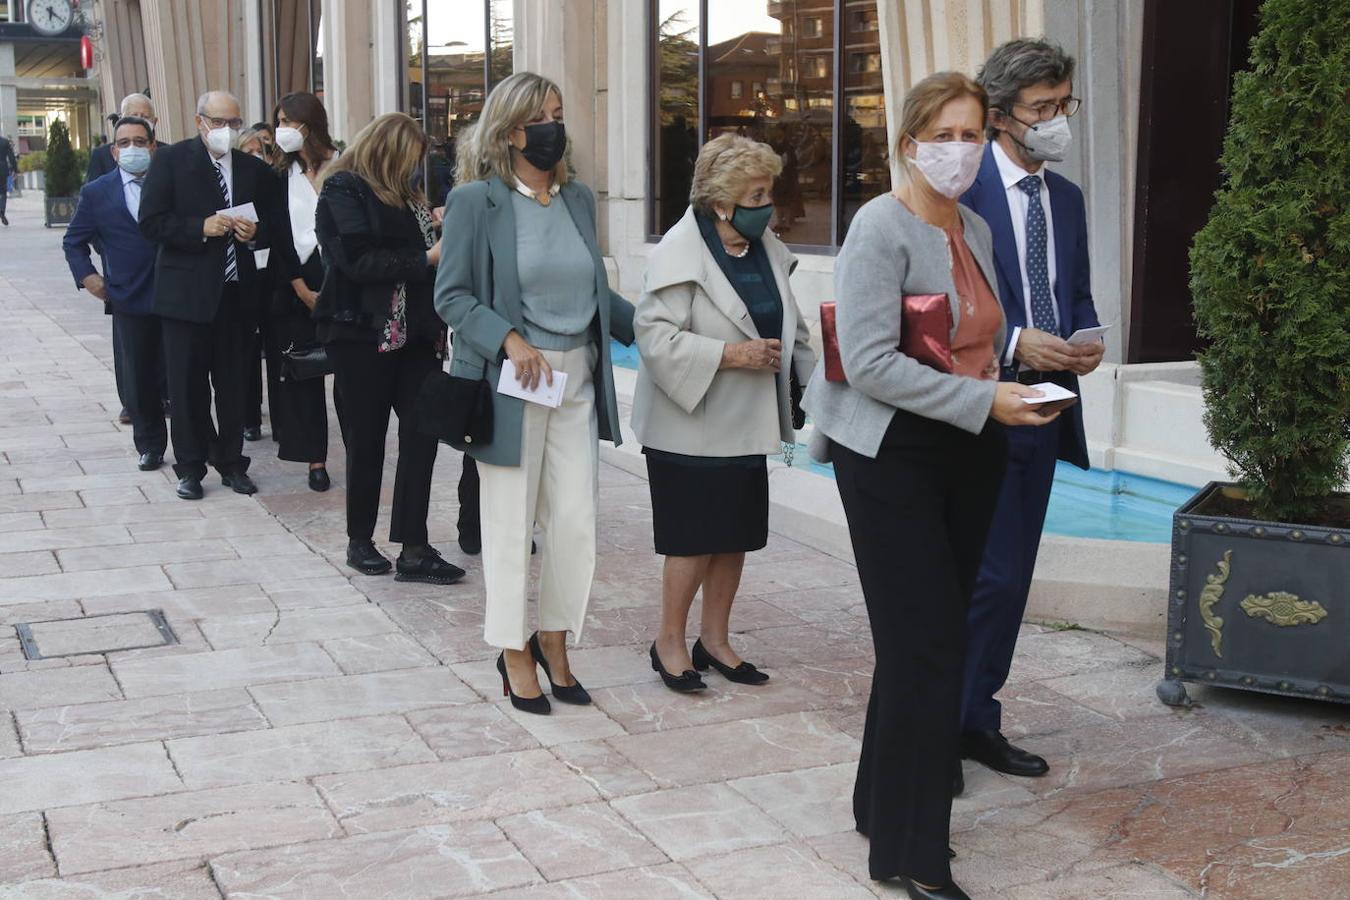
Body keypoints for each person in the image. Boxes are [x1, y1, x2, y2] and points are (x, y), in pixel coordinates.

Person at [802, 71, 1066, 900]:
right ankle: (913, 852)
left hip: (968, 444)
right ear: (909, 141)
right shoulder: (879, 226)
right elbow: (872, 362)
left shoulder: (978, 226)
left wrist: (1017, 382)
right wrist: (983, 396)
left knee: (926, 634)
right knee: (928, 645)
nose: (960, 148)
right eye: (944, 133)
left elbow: (973, 338)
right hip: (889, 454)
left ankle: (878, 804)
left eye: (972, 133)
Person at [436, 72, 635, 715]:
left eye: (558, 112)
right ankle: (511, 649)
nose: (556, 125)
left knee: (576, 522)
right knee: (508, 520)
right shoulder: (476, 201)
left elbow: (598, 295)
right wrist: (510, 340)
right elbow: (453, 296)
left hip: (577, 375)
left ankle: (553, 637)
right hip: (516, 381)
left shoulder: (576, 199)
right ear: (512, 130)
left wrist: (665, 327)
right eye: (543, 115)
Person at [956, 39, 1105, 787]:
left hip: (1045, 409)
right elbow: (944, 304)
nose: (1056, 122)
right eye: (1043, 109)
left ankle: (977, 718)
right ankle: (935, 727)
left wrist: (1087, 339)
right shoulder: (963, 187)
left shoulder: (1067, 200)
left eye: (1063, 106)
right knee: (969, 577)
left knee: (1011, 579)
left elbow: (1072, 290)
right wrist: (1017, 339)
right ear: (1001, 116)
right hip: (977, 404)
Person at [634, 133, 815, 693]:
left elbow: (794, 329)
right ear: (720, 203)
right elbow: (653, 337)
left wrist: (814, 382)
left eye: (768, 192)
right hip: (688, 424)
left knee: (734, 536)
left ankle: (715, 640)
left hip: (748, 424)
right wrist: (730, 354)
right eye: (756, 195)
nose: (768, 206)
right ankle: (668, 640)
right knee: (691, 541)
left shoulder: (765, 252)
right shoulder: (677, 254)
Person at [314, 113, 464, 585]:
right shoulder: (343, 190)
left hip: (417, 337)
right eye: (411, 158)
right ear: (389, 150)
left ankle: (414, 549)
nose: (418, 170)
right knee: (367, 441)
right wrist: (426, 257)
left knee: (422, 436)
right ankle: (360, 540)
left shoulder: (412, 198)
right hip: (362, 336)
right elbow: (356, 260)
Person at [139, 90, 273, 500]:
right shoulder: (171, 161)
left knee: (233, 386)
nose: (227, 131)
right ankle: (191, 467)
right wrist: (200, 227)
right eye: (218, 123)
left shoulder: (254, 169)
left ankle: (232, 463)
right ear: (200, 122)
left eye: (234, 122)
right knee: (186, 387)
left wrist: (255, 235)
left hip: (236, 296)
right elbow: (152, 222)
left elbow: (274, 227)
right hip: (186, 296)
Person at [62, 116, 166, 471]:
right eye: (125, 143)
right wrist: (89, 278)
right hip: (128, 297)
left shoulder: (171, 184)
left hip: (174, 294)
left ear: (153, 146)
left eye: (140, 141)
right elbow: (73, 241)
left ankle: (192, 447)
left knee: (180, 376)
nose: (133, 148)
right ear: (114, 150)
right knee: (139, 377)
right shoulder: (97, 192)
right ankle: (149, 444)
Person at [266, 92, 339, 492]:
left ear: (308, 125)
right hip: (295, 282)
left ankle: (361, 443)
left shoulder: (345, 164)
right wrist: (299, 287)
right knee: (304, 370)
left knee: (348, 370)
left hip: (341, 278)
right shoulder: (279, 174)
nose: (281, 130)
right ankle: (315, 459)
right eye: (277, 122)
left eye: (287, 122)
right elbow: (277, 236)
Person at [236, 124, 275, 443]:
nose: (254, 157)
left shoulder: (269, 183)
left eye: (259, 151)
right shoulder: (231, 188)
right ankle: (250, 416)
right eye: (247, 151)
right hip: (244, 281)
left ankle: (278, 414)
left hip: (273, 278)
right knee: (246, 352)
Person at [87, 93, 157, 184]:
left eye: (145, 117)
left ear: (154, 121)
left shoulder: (167, 153)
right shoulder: (101, 155)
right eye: (134, 116)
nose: (139, 121)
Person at [0, 127, 16, 226]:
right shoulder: (5, 142)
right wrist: (15, 169)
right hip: (2, 169)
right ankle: (1, 210)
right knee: (3, 192)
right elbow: (11, 157)